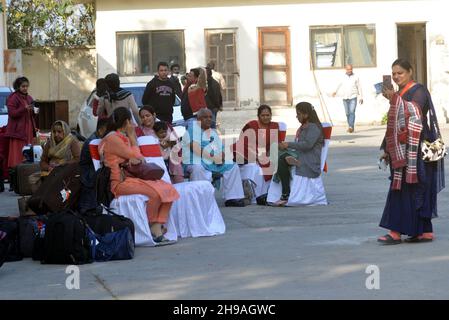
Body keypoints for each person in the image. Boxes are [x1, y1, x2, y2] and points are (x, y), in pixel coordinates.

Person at [377, 59, 445, 244]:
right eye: (394, 74)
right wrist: (386, 148)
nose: (396, 76)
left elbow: (415, 111)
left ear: (410, 72)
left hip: (416, 151)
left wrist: (394, 99)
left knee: (415, 189)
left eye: (400, 73)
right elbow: (394, 124)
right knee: (405, 188)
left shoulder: (419, 90)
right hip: (400, 150)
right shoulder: (399, 94)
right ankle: (422, 231)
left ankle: (397, 232)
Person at [100, 107, 180, 245]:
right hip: (119, 183)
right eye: (131, 121)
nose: (133, 124)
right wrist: (132, 138)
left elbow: (138, 158)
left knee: (168, 189)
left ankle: (157, 225)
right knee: (154, 194)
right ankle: (154, 229)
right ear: (126, 122)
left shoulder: (121, 137)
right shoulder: (113, 138)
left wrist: (132, 152)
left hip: (133, 179)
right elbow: (138, 156)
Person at [183, 108, 246, 207]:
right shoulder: (192, 130)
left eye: (210, 117)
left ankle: (232, 198)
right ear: (198, 119)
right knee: (198, 168)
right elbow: (195, 148)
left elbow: (221, 148)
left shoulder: (212, 132)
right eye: (205, 117)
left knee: (232, 166)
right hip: (196, 161)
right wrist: (214, 158)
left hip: (213, 161)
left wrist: (222, 157)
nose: (208, 119)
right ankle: (202, 199)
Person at [273, 102, 324, 206]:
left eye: (299, 114)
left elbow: (307, 145)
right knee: (279, 155)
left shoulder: (313, 127)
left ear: (307, 114)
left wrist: (288, 145)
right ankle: (283, 193)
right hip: (301, 154)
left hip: (309, 158)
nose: (297, 117)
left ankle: (285, 194)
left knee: (282, 160)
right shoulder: (304, 127)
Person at [232, 105, 282, 202]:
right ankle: (253, 196)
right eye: (263, 115)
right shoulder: (252, 125)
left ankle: (264, 195)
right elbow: (243, 142)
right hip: (248, 155)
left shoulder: (274, 126)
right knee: (255, 168)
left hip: (264, 155)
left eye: (268, 115)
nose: (266, 117)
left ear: (271, 116)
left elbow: (275, 144)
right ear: (258, 116)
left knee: (270, 165)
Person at [136, 106, 184, 184]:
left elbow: (176, 142)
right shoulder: (139, 131)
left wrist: (165, 143)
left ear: (154, 115)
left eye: (147, 116)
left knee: (176, 167)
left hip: (171, 158)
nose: (145, 119)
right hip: (152, 161)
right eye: (142, 117)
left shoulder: (165, 125)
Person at [5, 77, 38, 169]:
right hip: (18, 131)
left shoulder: (29, 97)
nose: (25, 88)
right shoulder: (12, 98)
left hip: (29, 130)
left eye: (27, 86)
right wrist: (24, 108)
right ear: (18, 86)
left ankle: (27, 171)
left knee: (28, 151)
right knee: (18, 152)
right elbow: (12, 113)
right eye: (23, 86)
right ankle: (17, 172)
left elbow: (31, 116)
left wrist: (34, 111)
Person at [78, 118, 109, 214]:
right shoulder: (92, 143)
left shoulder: (98, 140)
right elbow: (102, 162)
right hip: (89, 178)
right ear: (100, 130)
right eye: (107, 130)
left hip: (92, 176)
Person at [332, 64, 363, 133]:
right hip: (345, 97)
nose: (349, 70)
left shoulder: (356, 77)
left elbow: (359, 87)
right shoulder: (342, 77)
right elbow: (338, 84)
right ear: (345, 69)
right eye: (348, 69)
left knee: (352, 112)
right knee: (347, 113)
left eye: (351, 69)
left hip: (353, 96)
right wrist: (335, 91)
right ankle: (350, 126)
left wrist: (361, 97)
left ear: (352, 69)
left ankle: (351, 127)